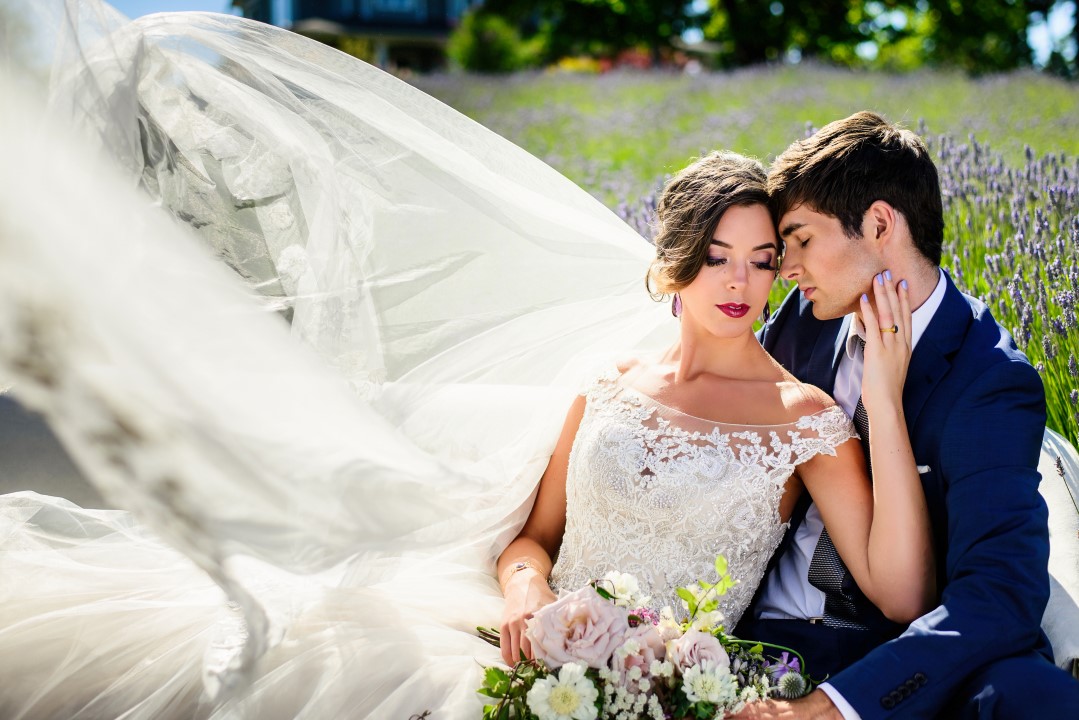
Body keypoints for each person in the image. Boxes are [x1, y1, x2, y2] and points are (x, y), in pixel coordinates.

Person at [495, 151, 936, 669]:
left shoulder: (803, 420)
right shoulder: (608, 385)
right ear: (677, 259)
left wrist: (882, 399)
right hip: (536, 671)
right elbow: (533, 540)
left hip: (666, 698)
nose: (739, 281)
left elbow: (904, 595)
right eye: (716, 257)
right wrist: (524, 587)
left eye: (761, 260)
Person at [731, 111, 1079, 719]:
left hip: (892, 658)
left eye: (803, 240)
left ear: (879, 222)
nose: (787, 269)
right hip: (762, 634)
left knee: (1035, 696)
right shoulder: (800, 326)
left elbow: (999, 594)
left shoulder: (990, 379)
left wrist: (838, 705)